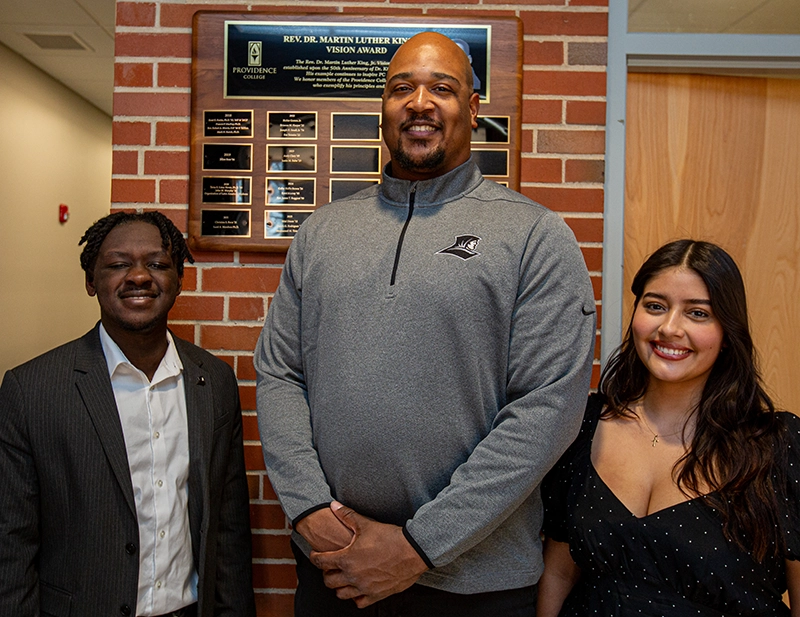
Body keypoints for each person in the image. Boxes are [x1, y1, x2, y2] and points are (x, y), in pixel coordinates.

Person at [254, 31, 596, 615]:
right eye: (400, 88)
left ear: (473, 106)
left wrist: (420, 545)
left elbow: (547, 407)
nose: (419, 103)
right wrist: (310, 510)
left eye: (443, 87)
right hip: (336, 571)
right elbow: (280, 374)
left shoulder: (534, 236)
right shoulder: (321, 234)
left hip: (474, 586)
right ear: (383, 108)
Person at [0, 211, 256, 617]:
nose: (139, 276)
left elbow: (228, 532)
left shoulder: (215, 383)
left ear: (179, 280)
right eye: (119, 264)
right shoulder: (31, 390)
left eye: (157, 264)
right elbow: (11, 545)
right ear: (90, 281)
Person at [538, 239, 800, 616]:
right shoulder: (584, 424)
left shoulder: (778, 445)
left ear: (728, 332)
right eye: (655, 306)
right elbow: (559, 574)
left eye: (697, 313)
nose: (670, 328)